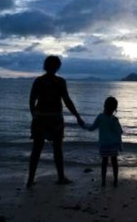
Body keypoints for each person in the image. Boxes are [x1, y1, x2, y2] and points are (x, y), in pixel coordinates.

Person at [27, 55, 84, 187]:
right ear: (58, 67)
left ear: (45, 66)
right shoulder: (60, 81)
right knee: (57, 149)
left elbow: (31, 101)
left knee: (36, 149)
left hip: (40, 118)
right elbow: (67, 101)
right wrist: (77, 116)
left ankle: (30, 179)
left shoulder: (39, 81)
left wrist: (34, 115)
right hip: (55, 119)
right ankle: (61, 177)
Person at [83, 96, 123, 187]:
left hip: (104, 144)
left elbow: (91, 128)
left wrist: (83, 125)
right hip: (113, 144)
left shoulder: (100, 117)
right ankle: (115, 181)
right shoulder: (114, 119)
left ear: (104, 106)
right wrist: (120, 145)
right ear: (114, 108)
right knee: (114, 162)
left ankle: (103, 181)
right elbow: (120, 132)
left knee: (104, 162)